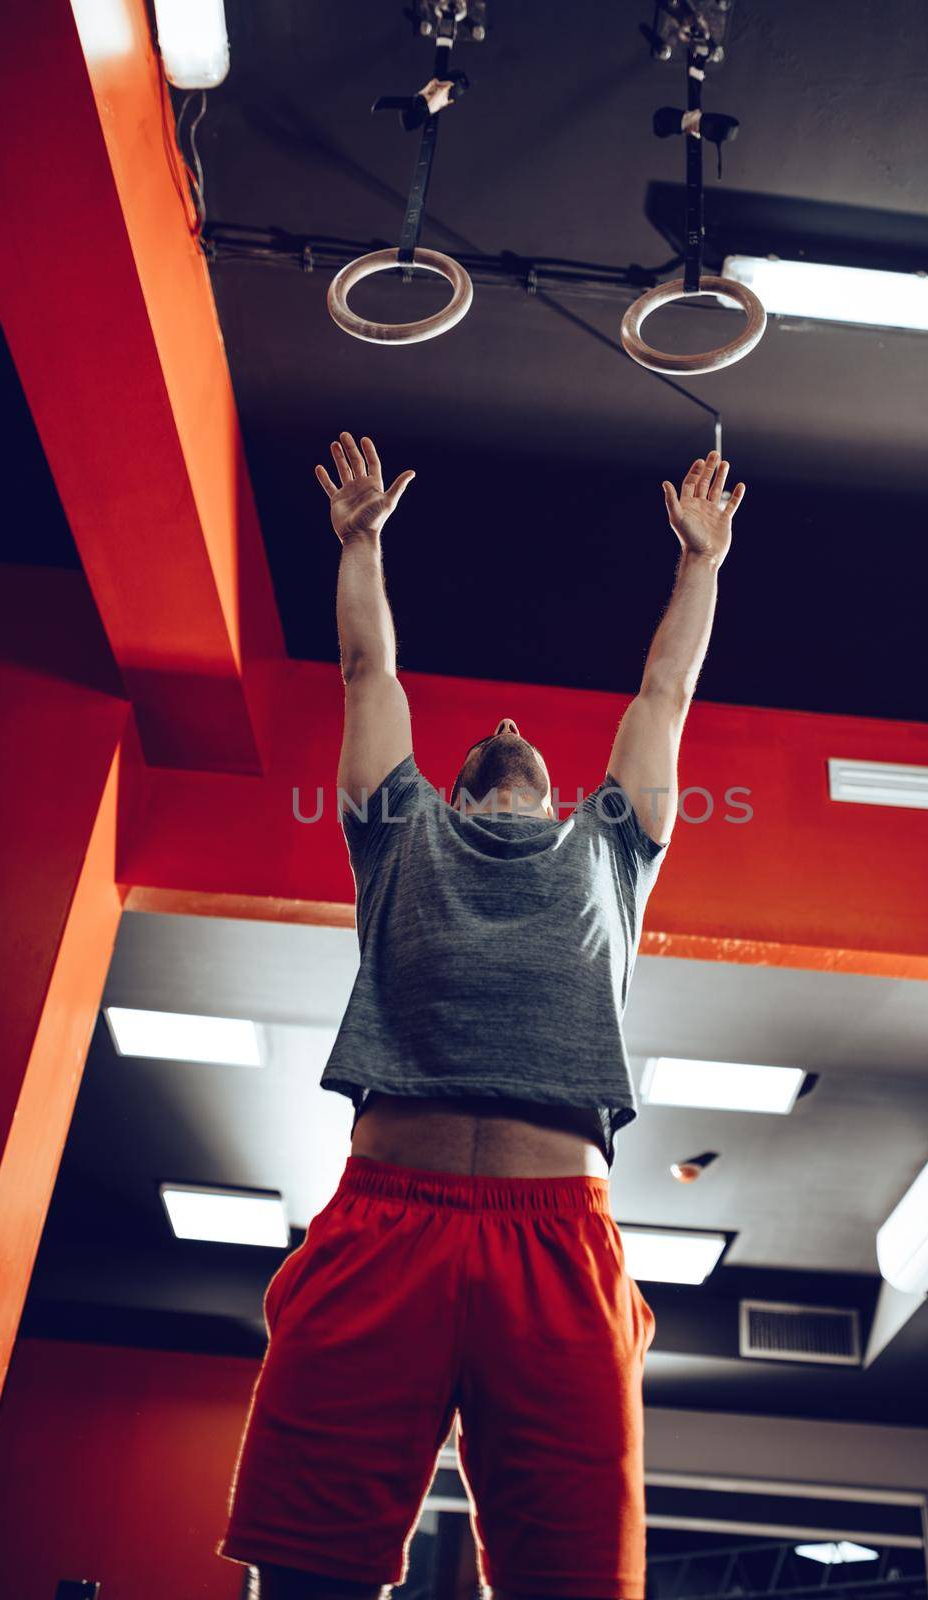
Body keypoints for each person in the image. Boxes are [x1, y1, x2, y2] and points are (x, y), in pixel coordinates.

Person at [218, 431, 746, 1600]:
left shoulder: (613, 851)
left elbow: (665, 692)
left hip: (554, 1244)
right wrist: (360, 549)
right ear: (452, 788)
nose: (506, 723)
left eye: (523, 740)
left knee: (571, 1580)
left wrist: (698, 566)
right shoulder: (397, 831)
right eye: (483, 740)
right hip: (381, 1232)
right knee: (305, 1572)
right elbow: (367, 675)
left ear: (563, 796)